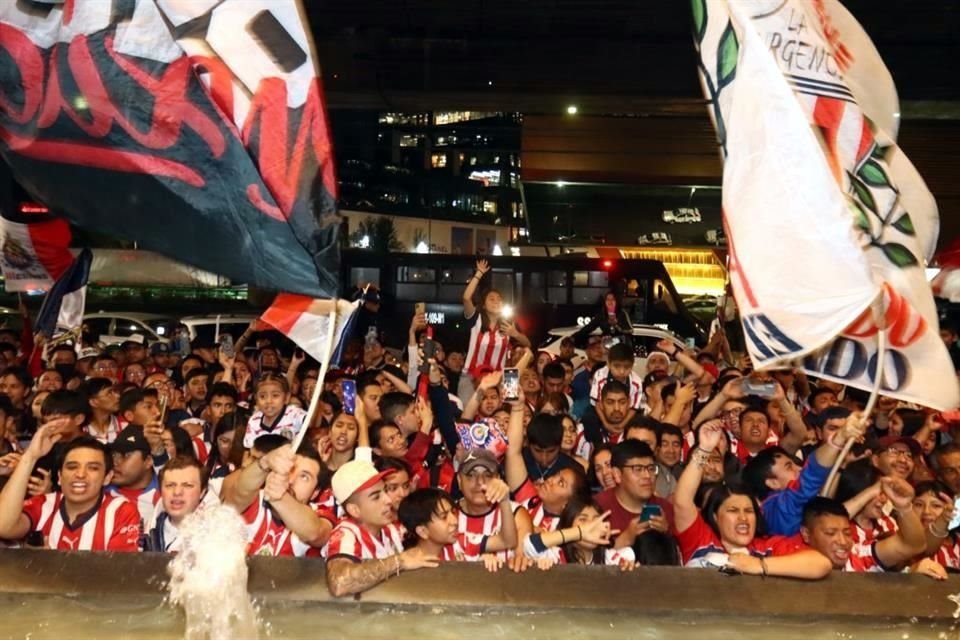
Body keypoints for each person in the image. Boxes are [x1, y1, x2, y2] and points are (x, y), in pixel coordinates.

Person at [672, 421, 832, 578]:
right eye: (733, 510)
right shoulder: (701, 539)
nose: (743, 517)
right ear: (715, 516)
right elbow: (682, 501)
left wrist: (758, 565)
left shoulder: (767, 547)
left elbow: (821, 564)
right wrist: (705, 449)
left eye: (749, 511)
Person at [0, 423, 140, 551]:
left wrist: (54, 564)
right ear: (60, 477)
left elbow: (118, 571)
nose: (80, 474)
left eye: (93, 468)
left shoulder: (120, 510)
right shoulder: (44, 504)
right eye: (72, 467)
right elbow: (3, 526)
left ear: (107, 477)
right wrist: (30, 456)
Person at [324, 459, 439, 597]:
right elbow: (339, 583)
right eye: (376, 497)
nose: (388, 500)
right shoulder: (346, 533)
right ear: (354, 510)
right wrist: (399, 561)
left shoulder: (389, 530)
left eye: (385, 491)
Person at [741, 410, 867, 536]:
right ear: (773, 483)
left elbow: (828, 506)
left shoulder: (787, 503)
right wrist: (840, 437)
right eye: (789, 467)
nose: (800, 469)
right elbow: (810, 476)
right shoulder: (777, 507)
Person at [225, 441, 332, 557]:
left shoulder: (319, 514)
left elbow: (316, 533)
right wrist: (265, 462)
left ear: (315, 492)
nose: (291, 480)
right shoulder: (255, 498)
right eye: (290, 470)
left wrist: (279, 497)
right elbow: (237, 495)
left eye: (304, 477)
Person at [800, 481, 926, 573]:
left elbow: (913, 545)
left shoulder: (859, 556)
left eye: (847, 533)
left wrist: (904, 507)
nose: (843, 542)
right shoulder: (790, 561)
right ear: (806, 534)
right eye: (830, 533)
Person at [460, 259, 531, 399]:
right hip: (471, 376)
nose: (496, 301)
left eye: (499, 299)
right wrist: (479, 274)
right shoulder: (477, 319)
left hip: (499, 378)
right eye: (491, 299)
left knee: (508, 409)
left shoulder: (507, 325)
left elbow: (528, 345)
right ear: (484, 305)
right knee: (466, 414)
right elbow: (466, 298)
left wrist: (515, 333)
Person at [595, 439, 674, 549]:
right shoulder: (596, 507)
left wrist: (665, 536)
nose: (647, 475)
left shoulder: (666, 509)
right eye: (638, 469)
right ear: (617, 474)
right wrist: (626, 539)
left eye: (651, 469)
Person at [143, 456, 212, 553]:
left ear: (202, 492)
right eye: (170, 485)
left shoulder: (217, 534)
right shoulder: (146, 532)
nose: (177, 492)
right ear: (161, 490)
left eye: (187, 485)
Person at [243, 374, 307, 448]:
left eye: (275, 395)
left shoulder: (294, 413)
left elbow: (311, 422)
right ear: (256, 399)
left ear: (286, 398)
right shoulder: (254, 421)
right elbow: (249, 450)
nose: (268, 401)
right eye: (262, 396)